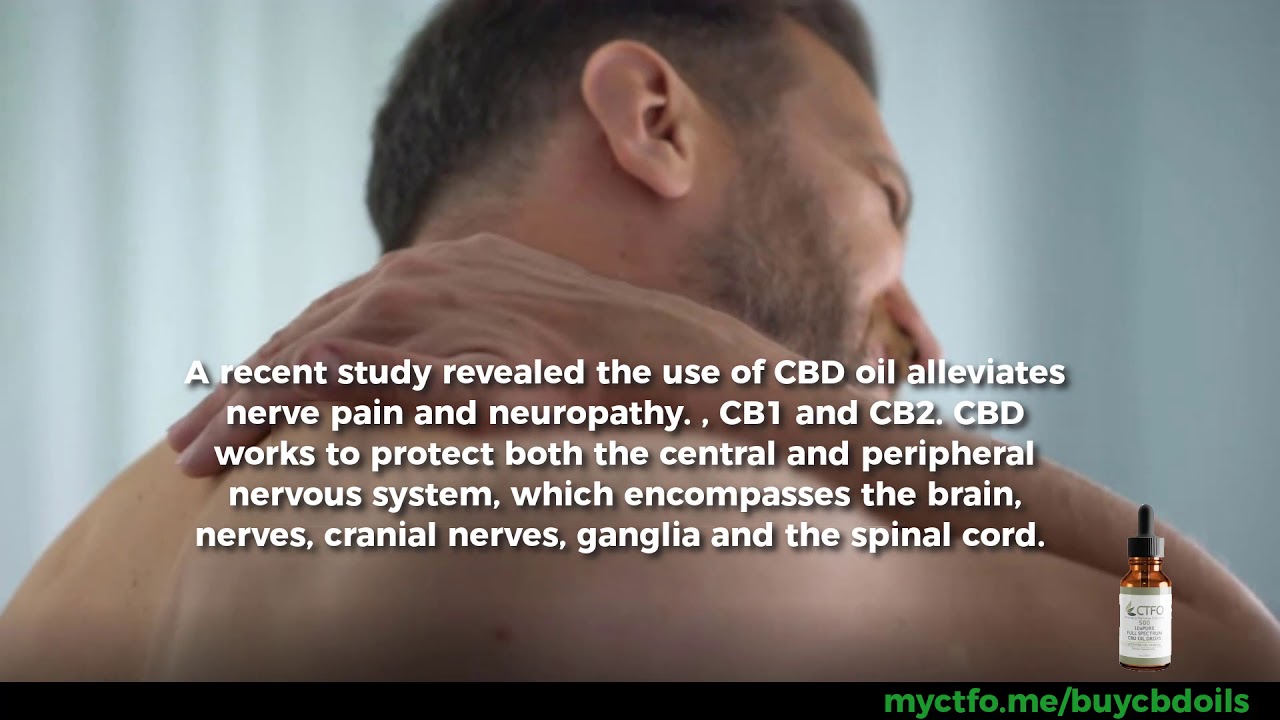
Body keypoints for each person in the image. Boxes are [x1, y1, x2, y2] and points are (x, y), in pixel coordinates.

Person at [2, 0, 1278, 681]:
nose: (921, 341)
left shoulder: (98, 553)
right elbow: (1213, 656)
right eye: (882, 200)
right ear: (652, 121)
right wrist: (733, 377)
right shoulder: (588, 502)